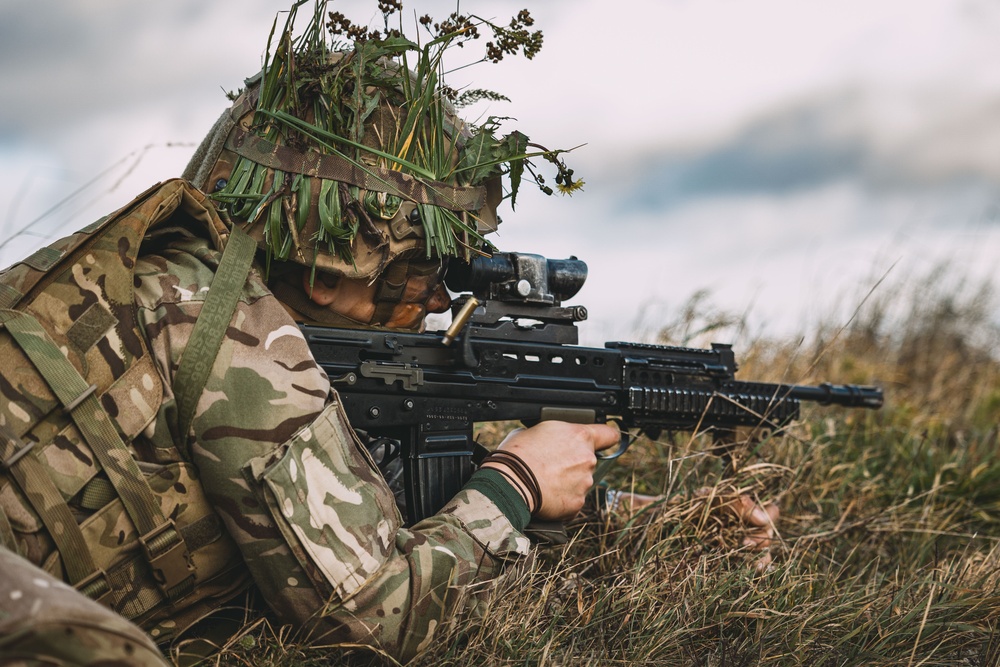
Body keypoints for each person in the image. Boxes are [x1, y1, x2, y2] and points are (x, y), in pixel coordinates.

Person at [0, 3, 778, 664]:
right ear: (336, 266)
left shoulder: (197, 288)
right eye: (420, 268)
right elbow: (367, 621)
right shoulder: (231, 333)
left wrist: (657, 521)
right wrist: (517, 479)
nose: (441, 297)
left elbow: (382, 511)